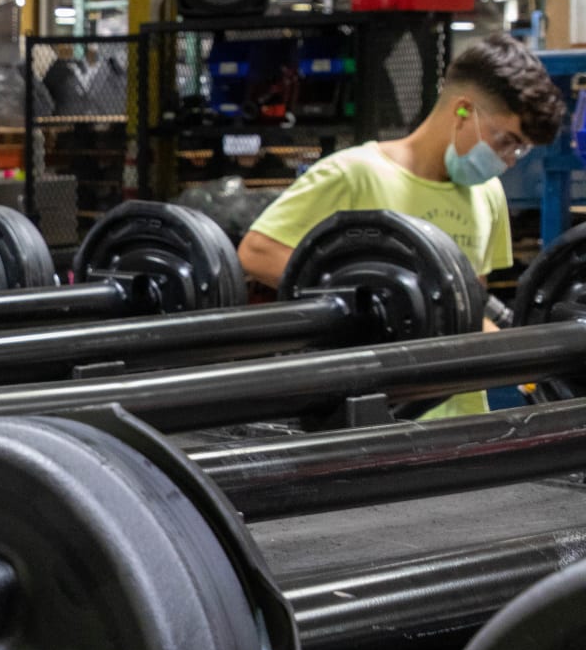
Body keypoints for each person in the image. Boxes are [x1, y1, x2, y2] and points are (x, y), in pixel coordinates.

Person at [239, 31, 568, 414]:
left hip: (462, 415)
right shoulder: (354, 174)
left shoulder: (487, 194)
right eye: (505, 140)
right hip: (377, 413)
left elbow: (469, 298)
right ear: (463, 110)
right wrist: (376, 300)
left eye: (520, 149)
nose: (509, 159)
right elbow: (256, 251)